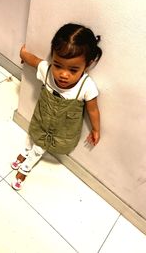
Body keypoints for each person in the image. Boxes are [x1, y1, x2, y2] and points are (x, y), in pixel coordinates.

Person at [11, 23, 102, 190]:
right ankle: (25, 151)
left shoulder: (86, 86)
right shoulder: (47, 70)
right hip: (41, 118)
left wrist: (96, 129)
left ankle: (27, 165)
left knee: (40, 146)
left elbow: (93, 109)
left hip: (61, 128)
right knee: (33, 133)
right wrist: (23, 53)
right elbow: (35, 61)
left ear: (86, 65)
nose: (63, 74)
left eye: (73, 70)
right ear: (53, 57)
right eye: (58, 65)